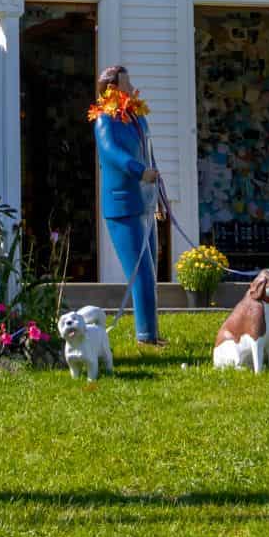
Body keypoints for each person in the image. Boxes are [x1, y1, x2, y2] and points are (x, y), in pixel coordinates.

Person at [88, 62, 161, 344]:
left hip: (144, 201)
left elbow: (148, 149)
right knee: (140, 272)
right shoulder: (105, 119)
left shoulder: (136, 117)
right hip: (122, 203)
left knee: (151, 270)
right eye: (126, 84)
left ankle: (151, 332)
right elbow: (111, 152)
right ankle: (145, 336)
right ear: (112, 89)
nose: (132, 88)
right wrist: (138, 169)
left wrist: (154, 178)